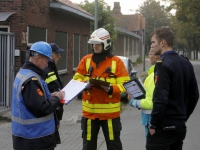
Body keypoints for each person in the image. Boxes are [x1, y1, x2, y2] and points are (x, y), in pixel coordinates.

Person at [73, 28, 130, 150]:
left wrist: (110, 89)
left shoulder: (116, 62)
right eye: (93, 44)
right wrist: (85, 84)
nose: (94, 46)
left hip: (110, 116)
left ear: (106, 44)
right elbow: (76, 80)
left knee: (113, 147)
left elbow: (125, 85)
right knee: (88, 147)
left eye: (97, 44)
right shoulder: (86, 60)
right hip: (89, 115)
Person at [146, 27, 199, 150]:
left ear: (162, 42)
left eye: (153, 42)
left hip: (163, 128)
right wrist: (183, 116)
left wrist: (153, 124)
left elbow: (160, 98)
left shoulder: (163, 64)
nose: (152, 46)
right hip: (179, 127)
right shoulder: (186, 62)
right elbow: (194, 95)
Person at [11, 41, 65, 150]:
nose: (47, 64)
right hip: (35, 138)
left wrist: (51, 97)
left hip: (27, 136)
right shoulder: (31, 80)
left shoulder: (24, 73)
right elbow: (42, 108)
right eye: (46, 60)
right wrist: (57, 98)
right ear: (38, 58)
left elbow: (34, 101)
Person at [127, 47, 160, 139]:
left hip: (151, 120)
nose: (148, 56)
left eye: (150, 54)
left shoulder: (153, 76)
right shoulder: (158, 73)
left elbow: (151, 103)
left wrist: (133, 101)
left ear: (156, 57)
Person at [44, 43, 65, 121]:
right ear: (51, 55)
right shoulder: (45, 70)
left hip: (56, 110)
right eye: (57, 54)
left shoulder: (52, 68)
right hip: (51, 110)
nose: (59, 57)